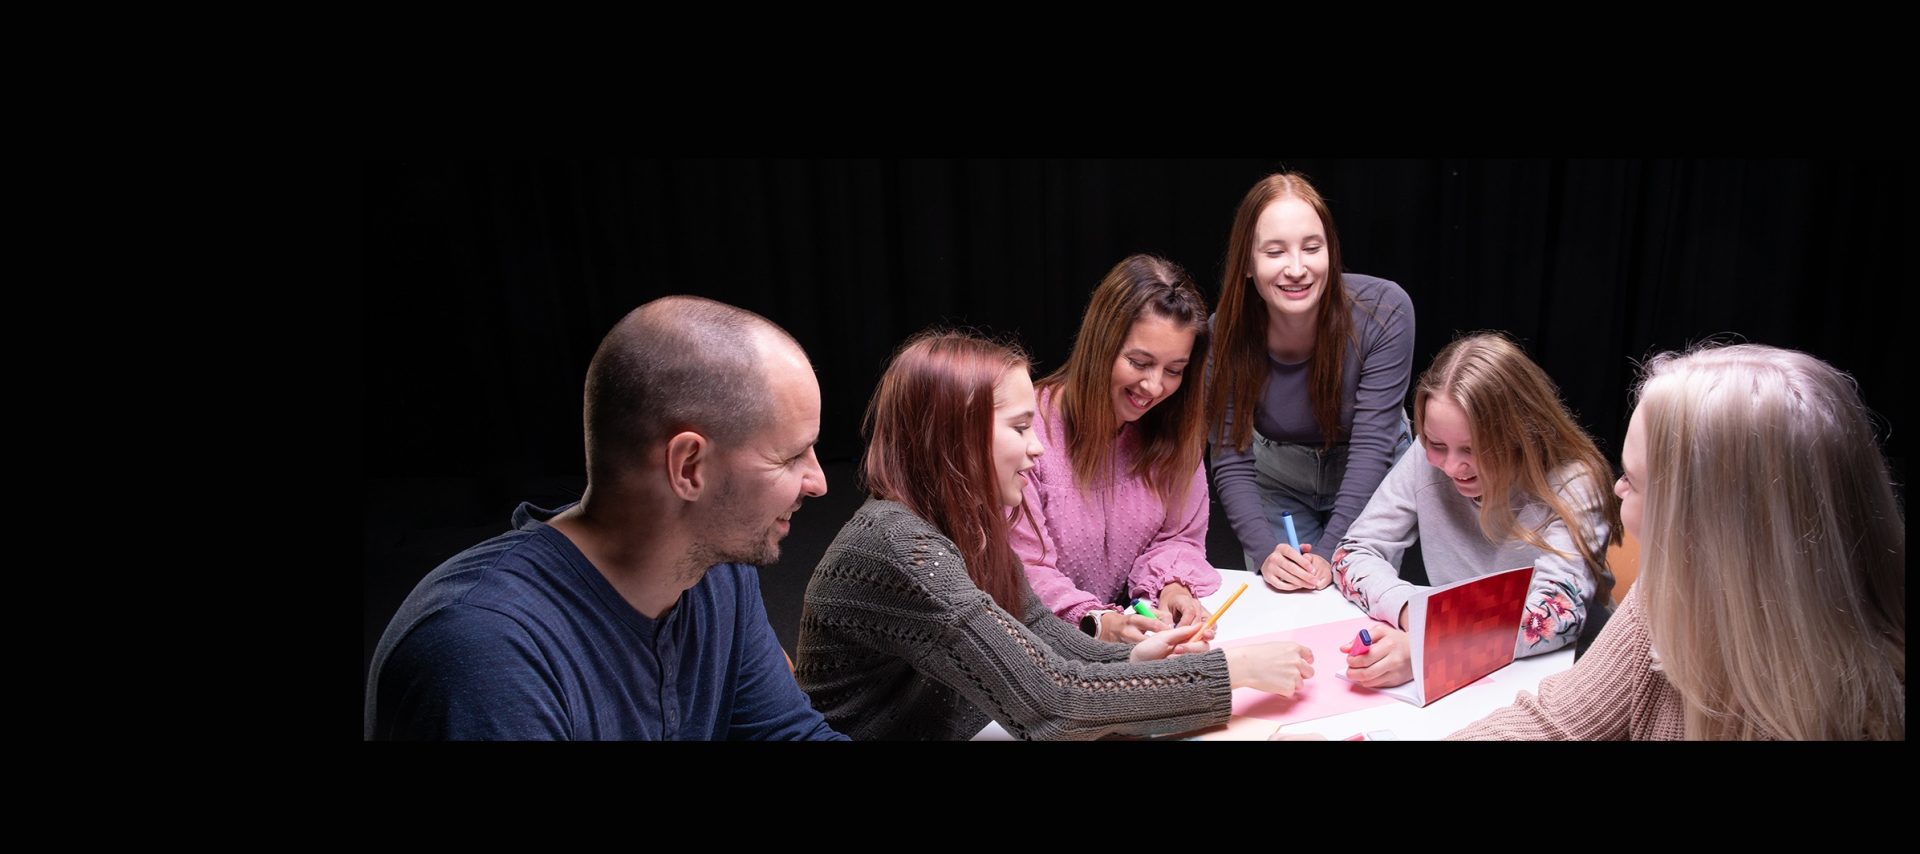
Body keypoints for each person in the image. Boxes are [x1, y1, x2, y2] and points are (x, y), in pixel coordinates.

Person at [365, 296, 846, 740]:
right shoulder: (486, 654)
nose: (818, 482)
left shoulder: (715, 574)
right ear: (688, 467)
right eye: (789, 457)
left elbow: (787, 735)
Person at [795, 330, 1315, 740]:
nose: (1039, 448)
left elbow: (1050, 639)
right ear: (955, 434)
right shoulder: (902, 548)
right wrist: (1234, 671)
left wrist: (1134, 660)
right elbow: (1054, 705)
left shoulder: (967, 524)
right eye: (1021, 427)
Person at [1450, 344, 1905, 739]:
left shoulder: (1848, 714)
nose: (1617, 489)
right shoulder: (1667, 592)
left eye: (1632, 478)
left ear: (1708, 523)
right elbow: (1554, 722)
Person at [1332, 332, 1619, 690]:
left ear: (1521, 432)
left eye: (1475, 448)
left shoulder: (1573, 481)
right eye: (1437, 445)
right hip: (1470, 665)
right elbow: (1352, 553)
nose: (1453, 467)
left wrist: (1431, 642)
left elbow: (1555, 616)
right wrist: (1411, 610)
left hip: (1572, 673)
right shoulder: (1426, 457)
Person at [1206, 172, 1417, 591]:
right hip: (1280, 477)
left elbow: (1372, 447)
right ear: (1247, 263)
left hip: (1369, 469)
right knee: (1288, 600)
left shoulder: (1385, 311)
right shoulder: (1222, 334)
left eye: (1312, 248)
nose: (1297, 269)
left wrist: (1331, 552)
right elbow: (1230, 454)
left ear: (1330, 251)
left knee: (1356, 596)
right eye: (1275, 251)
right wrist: (1266, 552)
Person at [1008, 254, 1219, 643]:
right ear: (1100, 344)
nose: (1155, 387)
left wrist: (1172, 588)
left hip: (1127, 648)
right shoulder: (1029, 432)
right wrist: (1097, 622)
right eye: (1139, 362)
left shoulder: (1173, 431)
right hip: (1038, 652)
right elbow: (1022, 570)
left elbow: (1177, 537)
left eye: (1174, 371)